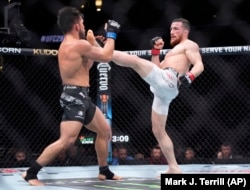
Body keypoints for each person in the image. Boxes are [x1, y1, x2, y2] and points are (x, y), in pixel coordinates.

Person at [22, 6, 121, 186]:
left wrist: (91, 43)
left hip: (81, 95)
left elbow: (88, 66)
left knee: (104, 131)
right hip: (74, 96)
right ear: (76, 26)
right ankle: (31, 173)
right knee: (67, 140)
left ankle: (104, 171)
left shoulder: (70, 45)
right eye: (82, 23)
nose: (84, 26)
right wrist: (111, 34)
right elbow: (107, 57)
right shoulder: (77, 44)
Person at [109, 18, 204, 173]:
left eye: (176, 29)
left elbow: (199, 65)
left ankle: (103, 51)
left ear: (185, 31)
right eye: (171, 29)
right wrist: (155, 52)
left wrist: (190, 76)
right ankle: (174, 167)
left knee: (134, 61)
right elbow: (156, 69)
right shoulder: (173, 51)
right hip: (162, 88)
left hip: (169, 80)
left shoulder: (189, 45)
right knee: (158, 130)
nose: (172, 32)